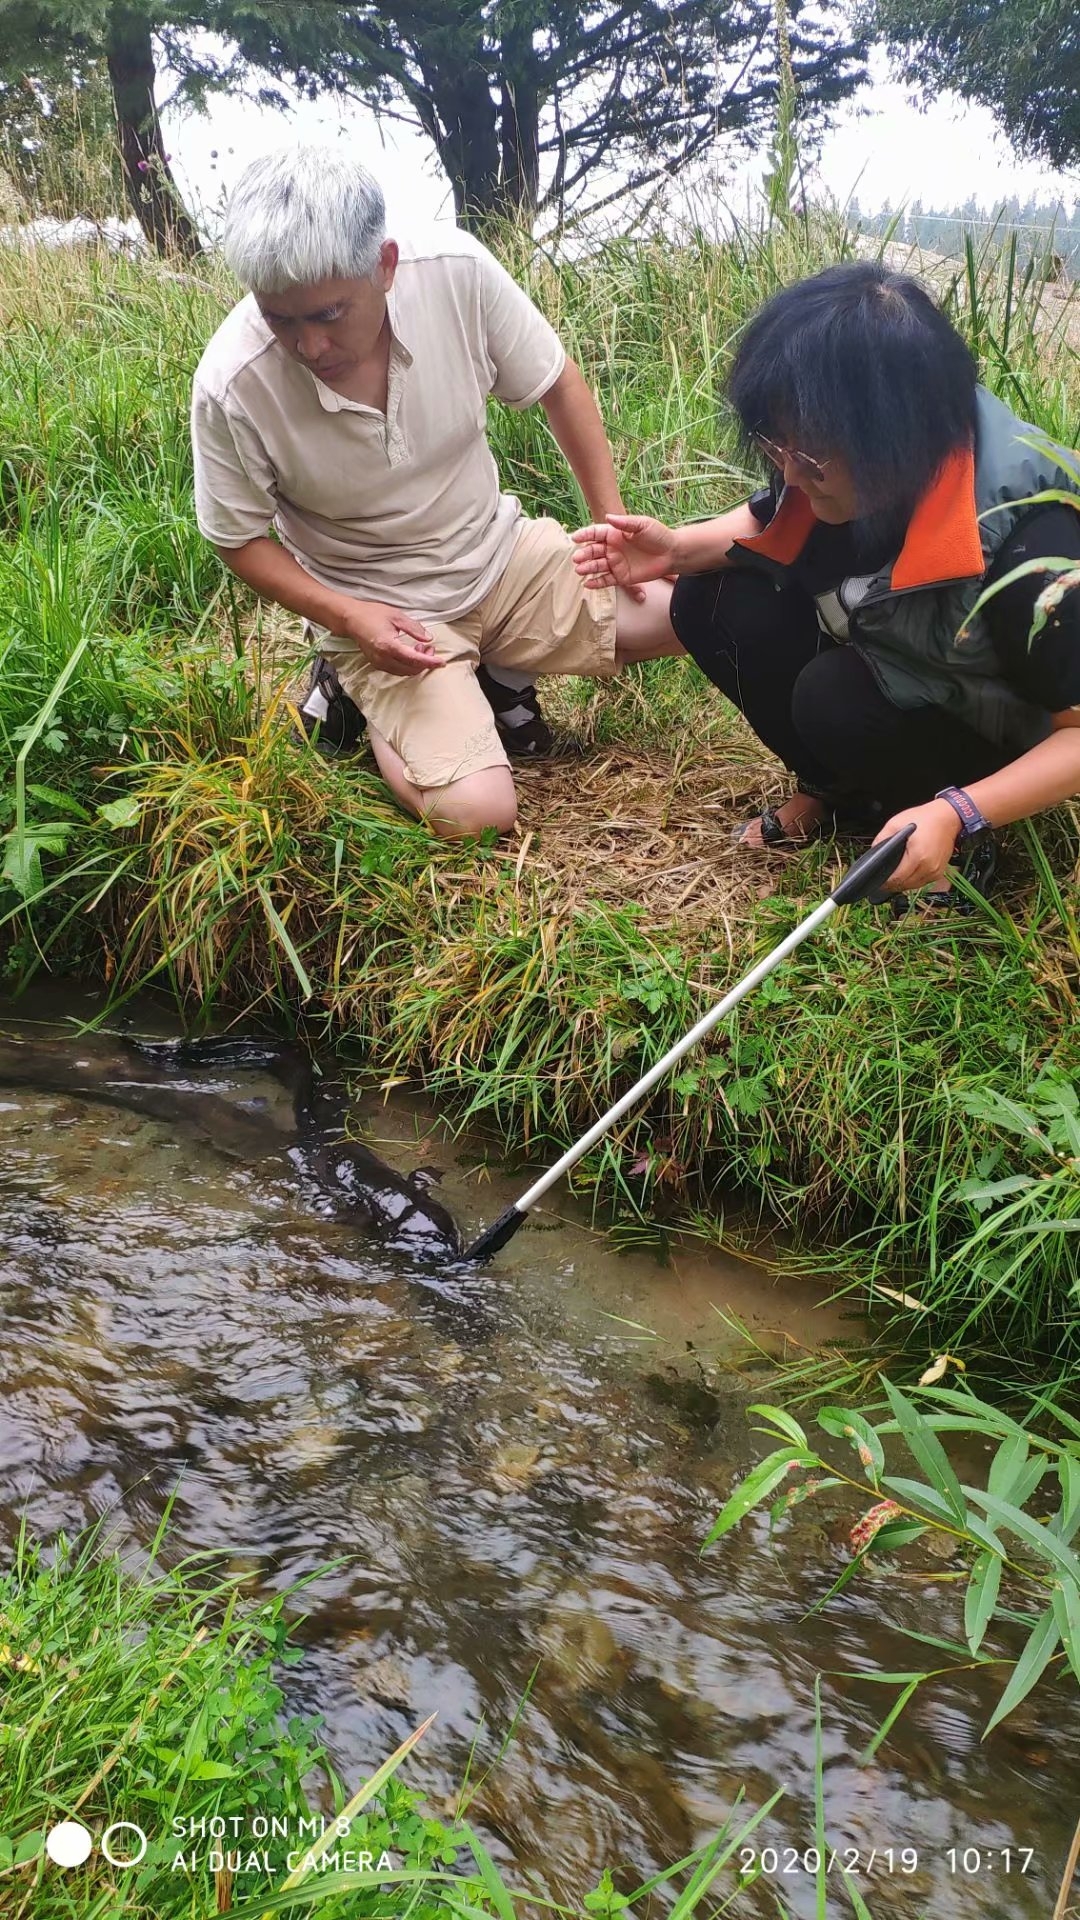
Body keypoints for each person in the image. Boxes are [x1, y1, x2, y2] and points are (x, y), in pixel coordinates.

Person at [191, 146, 678, 838]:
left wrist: (612, 525)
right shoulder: (231, 383)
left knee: (694, 613)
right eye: (281, 319)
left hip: (501, 558)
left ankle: (499, 671)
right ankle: (356, 690)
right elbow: (235, 536)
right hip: (384, 615)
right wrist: (349, 616)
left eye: (329, 313)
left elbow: (557, 383)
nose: (308, 345)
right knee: (478, 815)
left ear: (384, 266)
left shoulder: (456, 272)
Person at [572, 261, 1080, 897]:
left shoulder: (1033, 546)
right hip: (902, 675)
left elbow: (1077, 740)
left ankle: (951, 841)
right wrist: (673, 548)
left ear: (895, 439)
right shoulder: (840, 469)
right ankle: (837, 794)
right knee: (713, 597)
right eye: (775, 448)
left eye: (807, 460)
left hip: (992, 738)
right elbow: (768, 520)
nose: (789, 476)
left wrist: (958, 811)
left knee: (832, 694)